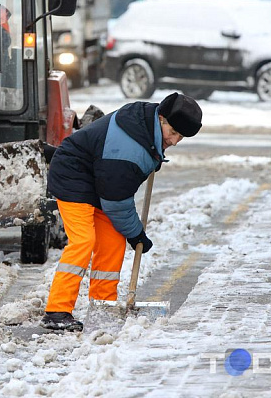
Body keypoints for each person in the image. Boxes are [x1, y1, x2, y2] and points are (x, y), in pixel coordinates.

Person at [40, 92, 203, 332]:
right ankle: (56, 311)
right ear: (161, 120)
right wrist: (136, 233)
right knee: (84, 241)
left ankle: (102, 306)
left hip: (100, 184)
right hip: (72, 177)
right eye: (174, 133)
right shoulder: (130, 146)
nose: (175, 141)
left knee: (113, 242)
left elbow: (114, 191)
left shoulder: (145, 128)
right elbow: (116, 200)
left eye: (181, 137)